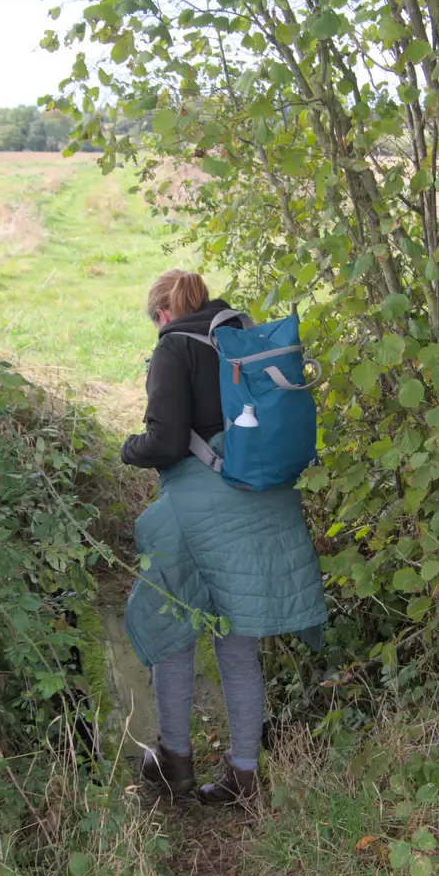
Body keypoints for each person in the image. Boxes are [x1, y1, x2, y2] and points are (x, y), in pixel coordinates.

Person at [120, 269, 326, 806]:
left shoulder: (173, 348)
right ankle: (243, 775)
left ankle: (175, 762)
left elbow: (165, 442)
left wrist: (129, 448)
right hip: (263, 498)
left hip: (203, 506)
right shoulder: (241, 337)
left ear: (162, 314)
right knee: (238, 646)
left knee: (172, 631)